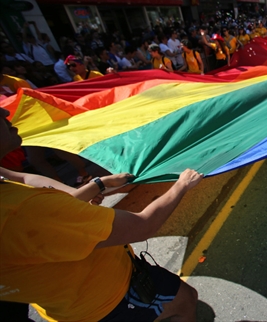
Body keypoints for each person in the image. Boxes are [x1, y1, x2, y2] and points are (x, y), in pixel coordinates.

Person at [0, 107, 203, 320]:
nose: (5, 112)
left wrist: (98, 184)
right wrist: (182, 185)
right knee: (185, 300)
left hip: (74, 303)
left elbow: (25, 181)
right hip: (107, 300)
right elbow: (142, 225)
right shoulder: (19, 213)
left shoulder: (14, 200)